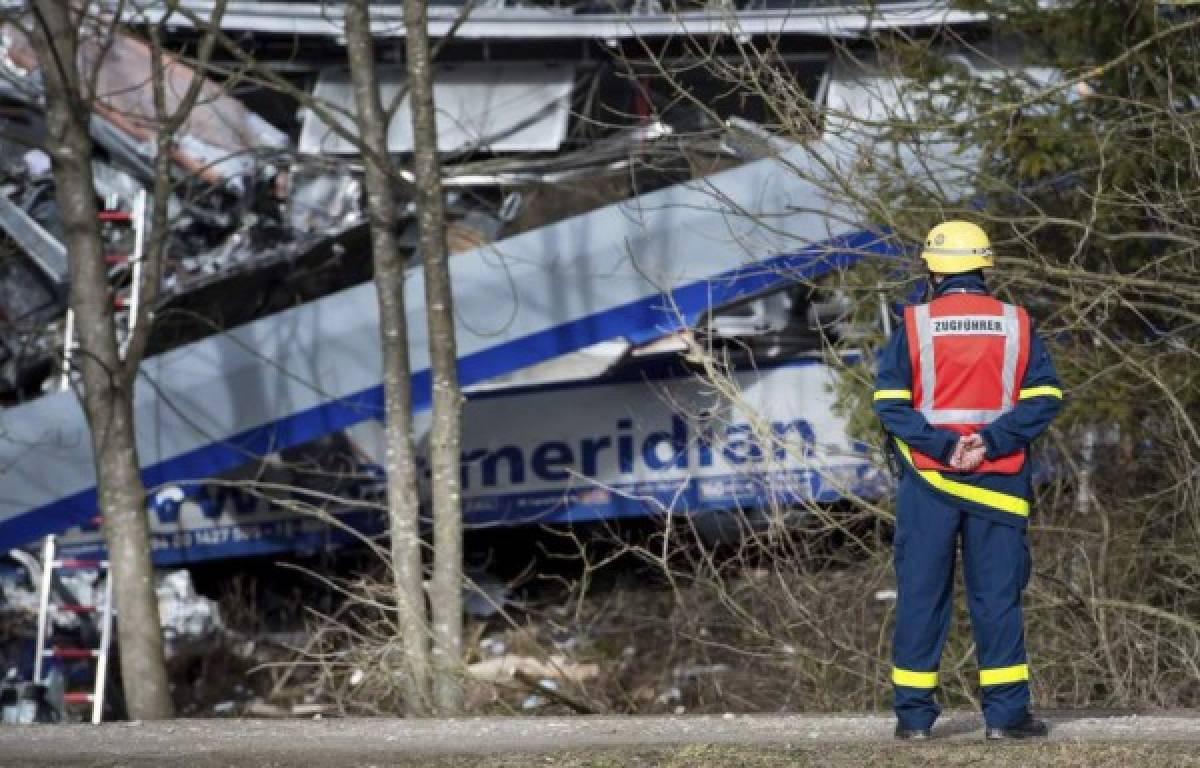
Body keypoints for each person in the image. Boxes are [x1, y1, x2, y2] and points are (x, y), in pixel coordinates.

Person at [873, 220, 1063, 740]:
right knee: (997, 600)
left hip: (929, 483)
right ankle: (1005, 719)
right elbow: (1045, 398)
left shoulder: (913, 324)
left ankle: (913, 722)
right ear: (983, 267)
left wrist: (942, 445)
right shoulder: (1017, 323)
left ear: (932, 271)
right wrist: (992, 440)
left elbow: (890, 404)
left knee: (921, 597)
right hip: (997, 482)